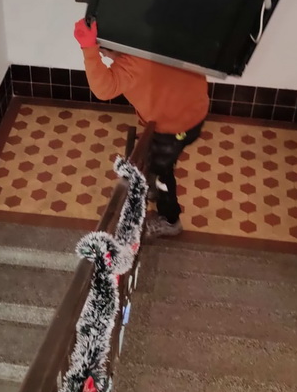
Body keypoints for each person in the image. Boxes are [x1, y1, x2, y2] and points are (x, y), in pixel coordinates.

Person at [73, 18, 209, 239]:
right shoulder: (159, 39)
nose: (105, 56)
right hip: (194, 112)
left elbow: (103, 89)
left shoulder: (131, 64)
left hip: (173, 128)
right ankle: (153, 178)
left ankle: (170, 220)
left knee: (163, 172)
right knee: (154, 155)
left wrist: (89, 51)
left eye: (105, 51)